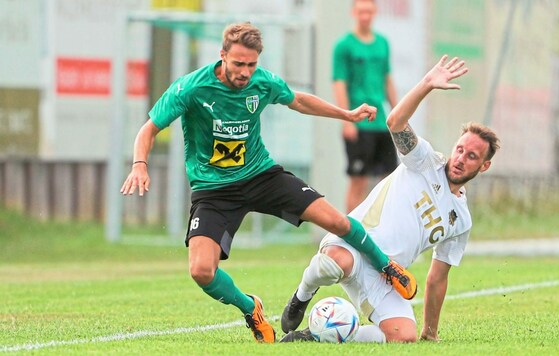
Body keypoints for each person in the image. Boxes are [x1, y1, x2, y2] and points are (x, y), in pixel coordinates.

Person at [119, 22, 417, 344]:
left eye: (251, 64)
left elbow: (299, 101)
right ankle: (251, 307)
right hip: (214, 191)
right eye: (238, 64)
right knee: (201, 271)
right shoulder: (191, 88)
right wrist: (140, 165)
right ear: (222, 56)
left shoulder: (261, 82)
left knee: (337, 221)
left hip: (261, 176)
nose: (245, 72)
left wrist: (346, 115)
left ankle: (387, 267)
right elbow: (148, 129)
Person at [280, 55, 500, 343]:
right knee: (332, 264)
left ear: (484, 166)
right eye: (460, 149)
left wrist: (430, 333)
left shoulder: (462, 220)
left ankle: (319, 336)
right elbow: (395, 121)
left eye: (472, 156)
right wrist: (427, 84)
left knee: (403, 336)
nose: (460, 158)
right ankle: (301, 296)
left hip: (385, 276)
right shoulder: (425, 161)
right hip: (355, 245)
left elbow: (437, 277)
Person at [333, 0, 399, 213]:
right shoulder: (344, 46)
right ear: (354, 12)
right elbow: (339, 82)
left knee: (390, 180)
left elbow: (387, 79)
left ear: (375, 12)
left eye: (369, 11)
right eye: (361, 11)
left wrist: (398, 112)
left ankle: (384, 230)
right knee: (358, 181)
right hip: (359, 123)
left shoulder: (383, 43)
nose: (365, 16)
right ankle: (350, 234)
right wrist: (347, 120)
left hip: (381, 122)